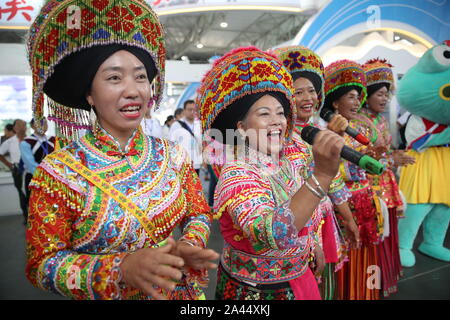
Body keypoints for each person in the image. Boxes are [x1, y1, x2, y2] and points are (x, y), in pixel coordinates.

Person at [25, 0, 218, 300]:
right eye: (114, 77)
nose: (133, 90)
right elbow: (41, 265)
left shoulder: (172, 155)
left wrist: (188, 245)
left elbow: (198, 212)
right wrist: (120, 269)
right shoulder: (59, 172)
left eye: (140, 76)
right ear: (89, 93)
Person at [197, 46, 345, 300]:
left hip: (299, 277)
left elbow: (305, 216)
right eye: (264, 114)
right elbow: (272, 233)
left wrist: (311, 244)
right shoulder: (237, 173)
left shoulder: (287, 163)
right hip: (256, 293)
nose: (277, 121)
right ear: (242, 128)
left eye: (280, 113)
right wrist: (320, 176)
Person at [274, 46, 360, 300]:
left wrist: (348, 218)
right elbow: (283, 195)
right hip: (297, 229)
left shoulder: (317, 131)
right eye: (297, 92)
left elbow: (331, 181)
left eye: (311, 90)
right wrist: (308, 240)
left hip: (324, 224)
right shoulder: (277, 138)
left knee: (326, 287)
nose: (307, 97)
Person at [353, 59, 415, 296]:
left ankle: (382, 281)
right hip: (370, 190)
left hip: (385, 186)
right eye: (380, 93)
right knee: (376, 238)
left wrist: (393, 155)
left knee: (387, 236)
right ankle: (371, 285)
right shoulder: (358, 123)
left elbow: (382, 152)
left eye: (387, 94)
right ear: (366, 94)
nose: (385, 99)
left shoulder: (379, 119)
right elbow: (359, 163)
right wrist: (391, 161)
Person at [323, 59, 383, 300]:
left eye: (359, 97)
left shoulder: (363, 130)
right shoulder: (325, 133)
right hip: (343, 204)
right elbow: (332, 173)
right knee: (346, 254)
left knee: (366, 252)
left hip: (366, 199)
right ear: (335, 102)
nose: (357, 102)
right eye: (351, 96)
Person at [20, 117, 56, 219]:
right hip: (34, 178)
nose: (44, 125)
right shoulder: (26, 143)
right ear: (32, 126)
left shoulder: (53, 140)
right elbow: (31, 164)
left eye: (45, 123)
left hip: (53, 178)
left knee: (52, 207)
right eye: (40, 123)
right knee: (36, 207)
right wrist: (46, 175)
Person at [0, 119, 28, 222]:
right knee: (21, 193)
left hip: (30, 170)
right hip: (17, 170)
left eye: (24, 125)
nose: (22, 127)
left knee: (32, 193)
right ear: (15, 128)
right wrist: (9, 165)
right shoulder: (10, 141)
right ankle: (26, 216)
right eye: (19, 125)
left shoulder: (30, 139)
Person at [170, 100, 203, 175]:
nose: (192, 112)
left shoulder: (199, 124)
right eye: (189, 109)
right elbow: (171, 144)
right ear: (184, 111)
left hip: (196, 163)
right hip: (182, 164)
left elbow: (201, 143)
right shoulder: (177, 125)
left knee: (195, 185)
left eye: (194, 110)